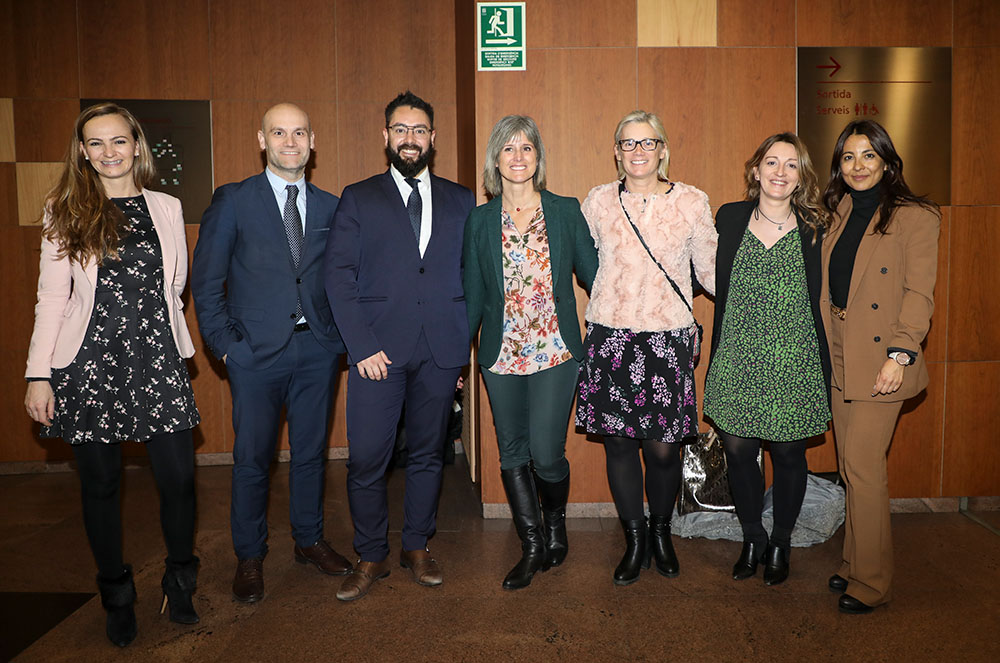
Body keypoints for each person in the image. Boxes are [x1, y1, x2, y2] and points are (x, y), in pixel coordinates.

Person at [24, 103, 201, 646]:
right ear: (83, 151)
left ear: (136, 145)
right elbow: (52, 297)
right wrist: (39, 374)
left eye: (118, 141)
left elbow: (174, 289)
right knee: (101, 484)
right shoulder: (65, 209)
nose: (108, 152)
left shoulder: (167, 207)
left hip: (156, 357)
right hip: (89, 361)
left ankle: (180, 578)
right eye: (96, 143)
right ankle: (116, 593)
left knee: (179, 479)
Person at [191, 103, 349, 604]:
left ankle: (308, 540)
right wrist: (227, 349)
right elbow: (206, 281)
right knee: (252, 459)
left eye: (299, 132)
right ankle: (250, 555)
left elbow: (344, 280)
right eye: (278, 132)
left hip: (317, 350)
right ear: (262, 140)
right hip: (254, 356)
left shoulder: (330, 206)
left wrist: (337, 341)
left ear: (312, 140)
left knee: (310, 455)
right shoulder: (233, 202)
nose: (289, 141)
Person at [325, 91, 475, 601]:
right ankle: (371, 554)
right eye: (400, 129)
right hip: (376, 355)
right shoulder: (358, 196)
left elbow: (469, 277)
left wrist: (460, 349)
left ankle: (416, 545)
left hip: (440, 351)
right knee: (368, 458)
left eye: (419, 130)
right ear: (385, 136)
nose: (410, 139)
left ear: (433, 139)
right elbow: (338, 277)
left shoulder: (461, 199)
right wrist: (361, 346)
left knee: (430, 453)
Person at [575, 110, 717, 585]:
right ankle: (634, 538)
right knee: (618, 443)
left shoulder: (692, 202)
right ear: (617, 152)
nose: (638, 151)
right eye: (628, 143)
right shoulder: (597, 201)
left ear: (663, 148)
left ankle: (662, 533)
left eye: (647, 142)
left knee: (661, 450)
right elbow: (583, 262)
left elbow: (713, 273)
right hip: (610, 335)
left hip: (667, 338)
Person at [463, 115, 598, 590]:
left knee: (546, 453)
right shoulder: (480, 220)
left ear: (538, 157)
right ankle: (533, 544)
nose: (518, 157)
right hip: (501, 354)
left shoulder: (564, 210)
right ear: (495, 160)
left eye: (527, 148)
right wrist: (462, 359)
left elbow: (595, 276)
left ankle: (555, 522)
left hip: (556, 351)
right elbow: (473, 294)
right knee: (511, 451)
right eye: (508, 149)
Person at [820, 120, 939, 614]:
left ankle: (871, 583)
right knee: (851, 466)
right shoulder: (840, 212)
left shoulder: (917, 217)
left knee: (865, 469)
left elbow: (919, 294)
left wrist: (901, 354)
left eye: (869, 156)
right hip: (841, 349)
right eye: (848, 157)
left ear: (888, 162)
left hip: (882, 357)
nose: (858, 166)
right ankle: (853, 562)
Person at [703, 133, 832, 586]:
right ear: (755, 170)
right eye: (771, 163)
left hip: (795, 359)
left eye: (791, 165)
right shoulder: (730, 218)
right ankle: (752, 536)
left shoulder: (818, 225)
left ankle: (781, 542)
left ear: (802, 176)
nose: (780, 172)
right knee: (739, 452)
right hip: (738, 354)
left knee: (789, 453)